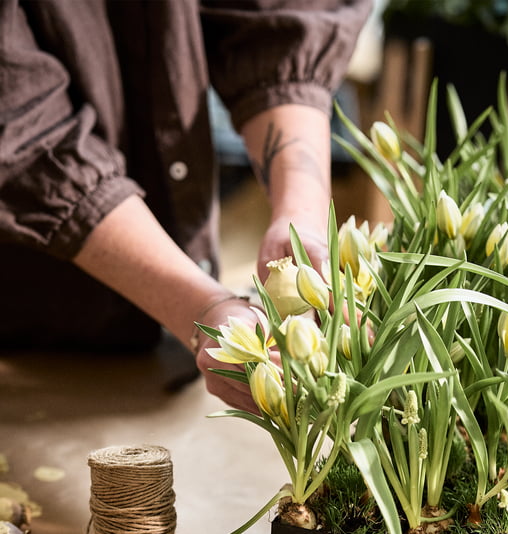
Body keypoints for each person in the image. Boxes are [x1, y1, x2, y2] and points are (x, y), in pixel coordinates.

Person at [0, 0, 372, 411]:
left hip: (168, 338)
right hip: (26, 328)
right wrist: (202, 307)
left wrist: (301, 216)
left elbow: (281, 23)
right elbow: (21, 127)